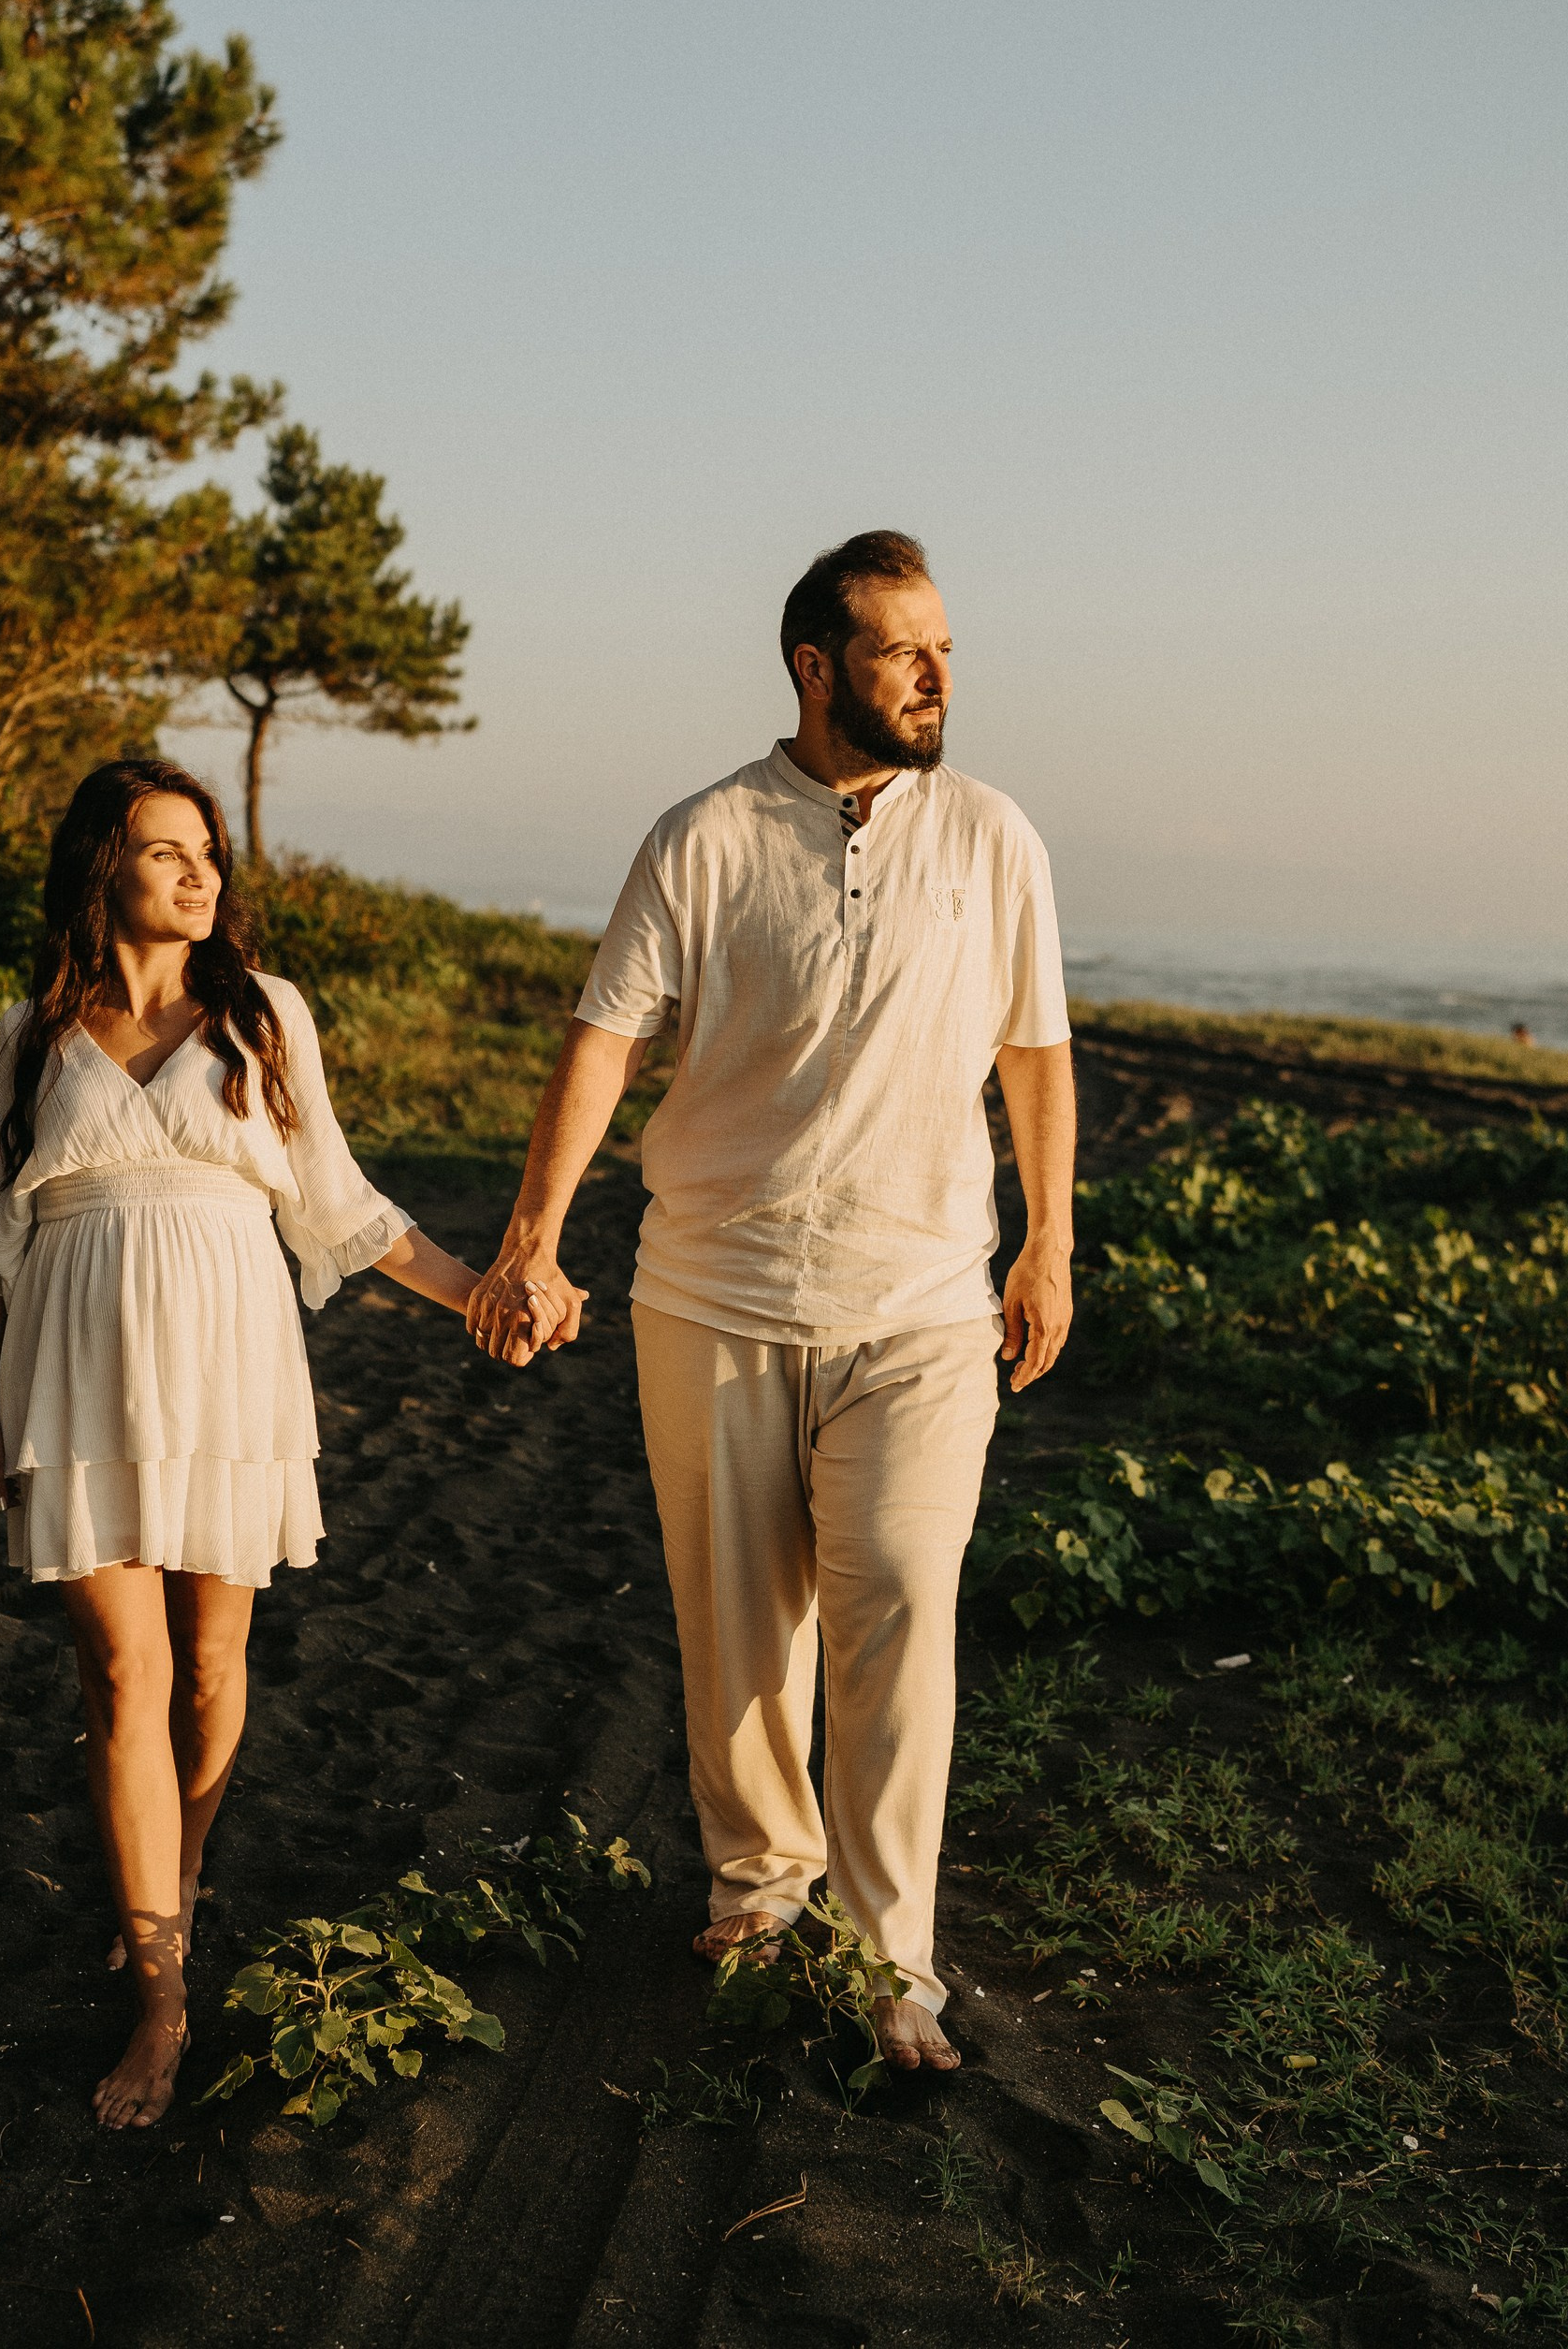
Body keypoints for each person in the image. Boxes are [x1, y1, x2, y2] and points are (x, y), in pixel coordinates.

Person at [467, 531, 1075, 2075]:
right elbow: (604, 1040)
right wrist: (533, 1239)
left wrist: (1048, 1239)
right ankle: (759, 1896)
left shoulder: (996, 836)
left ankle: (890, 1959)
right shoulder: (705, 836)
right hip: (714, 1292)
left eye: (945, 647)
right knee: (741, 1631)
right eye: (901, 651)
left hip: (924, 1302)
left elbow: (1035, 1053)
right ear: (818, 667)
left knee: (899, 1604)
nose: (938, 676)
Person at [0, 758, 553, 2129]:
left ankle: (171, 1886)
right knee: (122, 1668)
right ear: (102, 868)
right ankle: (160, 2001)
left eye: (207, 850)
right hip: (77, 1364)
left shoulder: (265, 1016)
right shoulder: (33, 1033)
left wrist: (479, 1293)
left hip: (228, 1359)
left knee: (213, 1660)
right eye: (166, 851)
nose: (198, 872)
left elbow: (339, 1206)